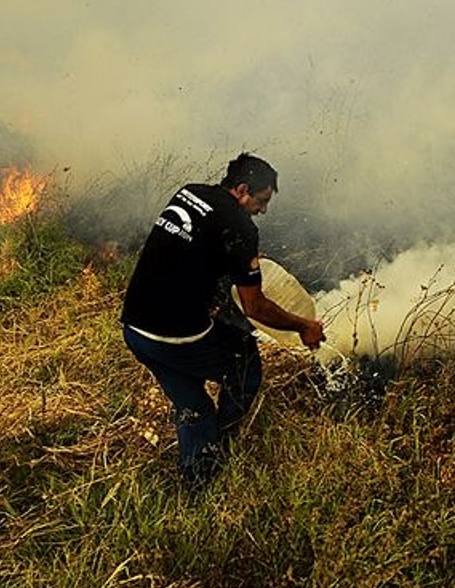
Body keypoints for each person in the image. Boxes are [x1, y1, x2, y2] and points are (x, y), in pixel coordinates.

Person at [121, 153, 326, 488]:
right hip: (174, 337)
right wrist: (304, 325)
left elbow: (194, 254)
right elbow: (255, 307)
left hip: (135, 329)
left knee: (193, 403)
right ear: (243, 189)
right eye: (261, 201)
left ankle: (199, 476)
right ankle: (226, 441)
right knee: (244, 361)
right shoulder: (241, 228)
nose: (263, 210)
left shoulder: (190, 192)